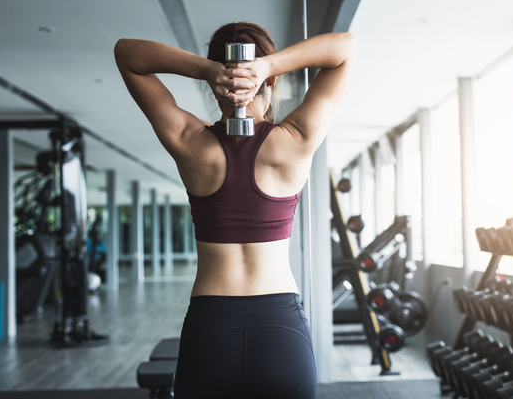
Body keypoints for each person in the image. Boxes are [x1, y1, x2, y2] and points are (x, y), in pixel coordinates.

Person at [114, 22, 357, 399]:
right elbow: (345, 48)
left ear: (213, 86)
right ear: (272, 82)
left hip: (211, 329)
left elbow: (127, 54)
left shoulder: (189, 142)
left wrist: (208, 70)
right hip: (281, 331)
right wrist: (267, 67)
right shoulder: (295, 141)